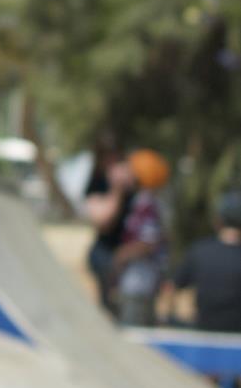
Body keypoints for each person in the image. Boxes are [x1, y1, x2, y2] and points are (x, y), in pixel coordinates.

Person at [110, 148, 171, 325]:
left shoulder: (146, 203)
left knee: (133, 333)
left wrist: (121, 255)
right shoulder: (146, 201)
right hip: (141, 282)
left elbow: (149, 242)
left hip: (138, 282)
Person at [165, 190, 241, 332]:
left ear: (218, 221)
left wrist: (168, 320)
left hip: (204, 333)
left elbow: (171, 288)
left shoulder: (199, 252)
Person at [82, 138, 134, 310]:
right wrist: (117, 190)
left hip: (133, 251)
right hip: (106, 252)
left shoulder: (134, 184)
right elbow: (104, 223)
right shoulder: (97, 184)